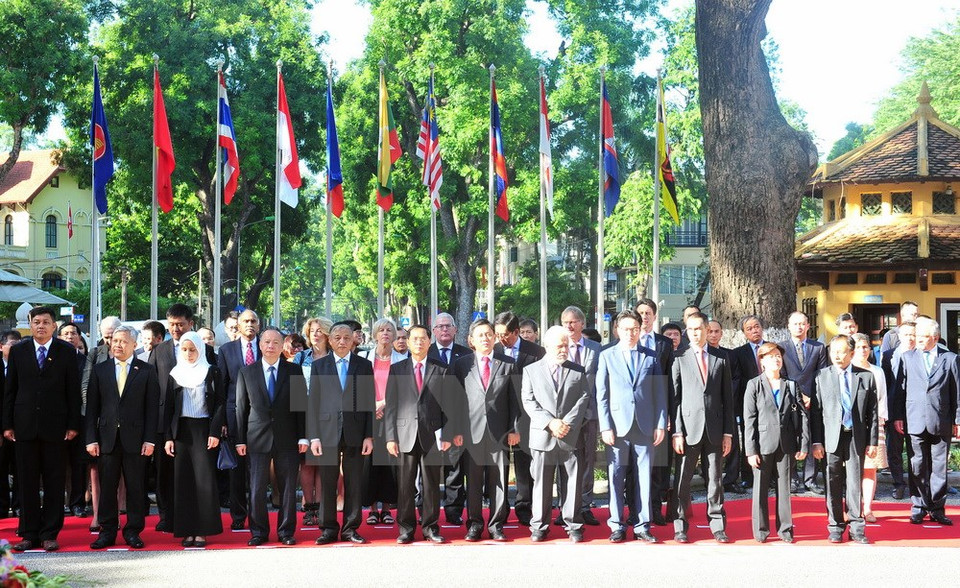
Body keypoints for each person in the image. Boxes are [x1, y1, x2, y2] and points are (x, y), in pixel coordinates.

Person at [4, 306, 82, 552]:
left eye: (45, 322)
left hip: (56, 428)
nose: (40, 326)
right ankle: (28, 533)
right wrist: (7, 424)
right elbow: (10, 391)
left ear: (54, 325)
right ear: (30, 324)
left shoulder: (67, 351)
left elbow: (73, 391)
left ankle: (49, 533)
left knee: (54, 482)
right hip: (24, 427)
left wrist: (72, 424)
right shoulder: (18, 351)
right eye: (36, 321)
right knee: (26, 482)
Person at [85, 325, 160, 550]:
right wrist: (91, 438)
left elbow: (152, 409)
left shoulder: (146, 371)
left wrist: (150, 439)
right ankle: (107, 531)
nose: (117, 344)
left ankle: (133, 531)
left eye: (123, 341)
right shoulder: (101, 370)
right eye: (115, 340)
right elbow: (92, 409)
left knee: (136, 487)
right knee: (107, 487)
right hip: (107, 438)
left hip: (136, 440)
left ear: (134, 345)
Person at [596, 310, 667, 543]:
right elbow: (602, 394)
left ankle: (642, 525)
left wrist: (660, 423)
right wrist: (605, 426)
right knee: (616, 476)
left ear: (640, 330)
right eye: (626, 329)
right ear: (617, 330)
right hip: (617, 427)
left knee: (644, 477)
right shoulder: (606, 355)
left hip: (645, 425)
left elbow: (659, 392)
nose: (630, 333)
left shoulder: (651, 356)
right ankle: (616, 524)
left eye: (634, 329)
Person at [384, 324, 459, 544]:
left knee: (432, 485)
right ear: (407, 342)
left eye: (423, 339)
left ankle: (430, 527)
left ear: (429, 341)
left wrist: (447, 434)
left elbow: (450, 406)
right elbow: (391, 406)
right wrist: (390, 437)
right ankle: (406, 529)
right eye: (414, 339)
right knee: (405, 485)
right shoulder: (397, 370)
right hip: (404, 434)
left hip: (432, 435)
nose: (419, 342)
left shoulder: (441, 368)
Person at [235, 327, 307, 546]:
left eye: (276, 342)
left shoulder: (294, 370)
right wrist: (240, 439)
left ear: (282, 345)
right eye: (266, 342)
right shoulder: (247, 372)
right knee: (256, 488)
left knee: (287, 489)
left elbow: (301, 406)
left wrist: (303, 437)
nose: (271, 346)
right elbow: (240, 408)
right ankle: (258, 531)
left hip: (288, 437)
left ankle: (286, 532)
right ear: (260, 345)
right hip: (256, 438)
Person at [149, 303, 216, 533]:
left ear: (190, 324)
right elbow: (153, 388)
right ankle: (170, 519)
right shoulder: (160, 351)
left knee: (201, 479)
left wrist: (217, 429)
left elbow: (216, 396)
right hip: (170, 425)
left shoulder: (207, 357)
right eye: (172, 325)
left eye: (180, 324)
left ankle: (200, 527)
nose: (175, 329)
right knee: (169, 477)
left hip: (201, 427)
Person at [307, 322, 375, 545]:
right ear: (330, 340)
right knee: (327, 481)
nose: (342, 341)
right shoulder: (320, 366)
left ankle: (350, 528)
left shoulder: (363, 365)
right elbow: (313, 402)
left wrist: (369, 435)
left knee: (354, 482)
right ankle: (328, 528)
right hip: (326, 432)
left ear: (354, 339)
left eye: (347, 337)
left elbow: (368, 401)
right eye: (337, 337)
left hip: (356, 431)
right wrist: (314, 436)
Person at [452, 318, 519, 542]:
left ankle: (496, 524)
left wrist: (514, 429)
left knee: (499, 480)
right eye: (480, 335)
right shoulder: (462, 364)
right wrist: (456, 431)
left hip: (499, 432)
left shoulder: (507, 363)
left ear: (495, 337)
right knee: (473, 481)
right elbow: (457, 401)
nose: (485, 338)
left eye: (489, 334)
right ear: (471, 340)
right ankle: (474, 524)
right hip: (471, 432)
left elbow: (515, 401)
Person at [521, 326, 590, 542]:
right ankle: (539, 526)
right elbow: (528, 401)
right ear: (547, 346)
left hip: (570, 434)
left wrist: (566, 423)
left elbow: (584, 397)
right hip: (543, 436)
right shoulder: (531, 370)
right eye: (559, 346)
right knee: (541, 483)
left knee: (572, 482)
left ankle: (574, 525)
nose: (564, 350)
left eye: (566, 346)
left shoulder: (578, 370)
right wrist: (551, 422)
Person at [671, 313, 734, 544]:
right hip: (688, 429)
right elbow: (674, 399)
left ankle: (717, 525)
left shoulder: (721, 358)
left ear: (708, 329)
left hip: (716, 428)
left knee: (715, 479)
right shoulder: (679, 357)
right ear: (686, 331)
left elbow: (728, 399)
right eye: (691, 329)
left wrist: (728, 432)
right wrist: (677, 432)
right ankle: (680, 525)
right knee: (682, 480)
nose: (695, 333)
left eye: (699, 328)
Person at [891, 316, 959, 526]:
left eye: (923, 336)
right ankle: (918, 506)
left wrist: (958, 420)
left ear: (935, 337)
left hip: (941, 420)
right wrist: (898, 416)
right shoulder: (908, 357)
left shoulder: (950, 359)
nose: (918, 339)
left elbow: (957, 392)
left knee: (939, 468)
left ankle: (937, 509)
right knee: (917, 465)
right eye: (917, 335)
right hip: (915, 419)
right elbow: (899, 390)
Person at [810, 335, 879, 544]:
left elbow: (873, 413)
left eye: (841, 352)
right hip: (831, 437)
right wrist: (816, 441)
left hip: (855, 436)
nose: (837, 356)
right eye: (834, 352)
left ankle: (857, 527)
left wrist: (872, 441)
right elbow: (816, 412)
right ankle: (835, 526)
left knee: (854, 482)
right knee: (832, 481)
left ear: (851, 352)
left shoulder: (866, 377)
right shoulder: (821, 376)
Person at [743, 342, 809, 543]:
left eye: (778, 356)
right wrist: (750, 450)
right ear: (761, 360)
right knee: (760, 489)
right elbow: (749, 419)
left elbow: (802, 417)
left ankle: (785, 530)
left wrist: (803, 444)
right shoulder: (754, 385)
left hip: (786, 444)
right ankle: (761, 530)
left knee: (784, 490)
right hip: (762, 445)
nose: (776, 359)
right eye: (771, 356)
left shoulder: (790, 384)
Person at [163, 331, 224, 548]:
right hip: (181, 431)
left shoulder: (211, 371)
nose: (189, 353)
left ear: (200, 349)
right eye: (185, 349)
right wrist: (168, 437)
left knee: (204, 481)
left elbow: (219, 404)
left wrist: (215, 433)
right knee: (183, 481)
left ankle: (202, 531)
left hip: (204, 430)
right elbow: (168, 407)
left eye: (193, 349)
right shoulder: (175, 373)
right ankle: (187, 530)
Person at [493, 310, 545, 527]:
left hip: (527, 416)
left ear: (516, 332)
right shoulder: (493, 351)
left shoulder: (536, 352)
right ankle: (501, 508)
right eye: (497, 334)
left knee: (525, 466)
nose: (500, 339)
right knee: (500, 465)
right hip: (499, 417)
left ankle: (525, 507)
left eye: (504, 334)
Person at [357, 318, 405, 525]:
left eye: (389, 330)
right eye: (381, 330)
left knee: (390, 462)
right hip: (370, 416)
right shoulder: (363, 357)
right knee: (369, 463)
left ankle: (387, 508)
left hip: (393, 415)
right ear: (375, 334)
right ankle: (372, 509)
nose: (385, 333)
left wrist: (383, 403)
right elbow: (357, 388)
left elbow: (404, 388)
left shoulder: (402, 359)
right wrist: (372, 405)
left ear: (394, 335)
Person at [556, 306, 601, 527]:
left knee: (587, 461)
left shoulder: (596, 349)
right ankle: (563, 507)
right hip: (563, 416)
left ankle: (584, 506)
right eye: (565, 322)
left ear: (582, 324)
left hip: (590, 413)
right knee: (563, 461)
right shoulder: (557, 350)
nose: (569, 326)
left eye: (573, 322)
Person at [216, 308, 260, 531]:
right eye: (246, 321)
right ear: (238, 326)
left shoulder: (267, 347)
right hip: (234, 417)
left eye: (253, 321)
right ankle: (238, 515)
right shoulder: (226, 350)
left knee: (258, 470)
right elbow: (222, 387)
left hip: (261, 418)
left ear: (258, 326)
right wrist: (222, 420)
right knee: (237, 471)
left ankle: (257, 514)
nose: (250, 324)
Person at [634, 298, 674, 527]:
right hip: (634, 412)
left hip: (657, 412)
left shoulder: (664, 344)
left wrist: (666, 413)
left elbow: (668, 383)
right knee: (634, 465)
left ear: (655, 316)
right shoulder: (628, 341)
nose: (644, 316)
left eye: (648, 312)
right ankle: (635, 510)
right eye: (640, 312)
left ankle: (655, 508)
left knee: (659, 465)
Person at [429, 312, 472, 526]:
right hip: (429, 419)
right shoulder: (424, 354)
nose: (444, 330)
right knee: (427, 467)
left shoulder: (466, 355)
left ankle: (454, 510)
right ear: (434, 331)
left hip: (457, 418)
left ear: (456, 330)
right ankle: (425, 509)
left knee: (455, 467)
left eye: (448, 326)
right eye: (440, 326)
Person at [778, 311, 828, 494]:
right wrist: (798, 396)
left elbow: (821, 374)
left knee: (812, 436)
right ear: (789, 326)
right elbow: (781, 376)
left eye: (802, 324)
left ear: (808, 326)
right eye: (795, 324)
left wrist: (811, 397)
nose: (799, 327)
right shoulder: (781, 348)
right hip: (790, 400)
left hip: (813, 399)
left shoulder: (819, 348)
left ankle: (810, 478)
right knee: (792, 437)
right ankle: (792, 478)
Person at [292, 316, 332, 525]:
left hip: (329, 415)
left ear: (326, 333)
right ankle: (309, 507)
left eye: (319, 330)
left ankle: (322, 505)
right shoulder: (300, 358)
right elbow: (294, 388)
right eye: (312, 330)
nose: (315, 334)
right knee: (307, 462)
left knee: (323, 461)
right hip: (305, 412)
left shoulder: (335, 356)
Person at [727, 315, 766, 495]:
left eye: (756, 326)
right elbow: (736, 380)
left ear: (762, 328)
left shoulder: (771, 349)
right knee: (748, 438)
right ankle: (747, 477)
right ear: (744, 333)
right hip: (747, 403)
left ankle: (768, 476)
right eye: (749, 328)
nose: (754, 331)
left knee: (769, 438)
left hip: (770, 403)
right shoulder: (738, 353)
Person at [851, 333, 887, 522]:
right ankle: (852, 507)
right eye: (858, 347)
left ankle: (868, 508)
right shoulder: (847, 371)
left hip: (874, 424)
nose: (862, 350)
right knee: (850, 468)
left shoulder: (877, 371)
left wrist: (881, 421)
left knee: (870, 468)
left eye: (865, 347)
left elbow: (882, 399)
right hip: (851, 426)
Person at [59, 321, 91, 521]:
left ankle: (77, 503)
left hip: (79, 418)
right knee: (56, 464)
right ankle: (58, 503)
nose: (70, 337)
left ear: (80, 338)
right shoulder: (51, 358)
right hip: (56, 420)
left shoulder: (86, 361)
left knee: (79, 464)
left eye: (73, 333)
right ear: (59, 337)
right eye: (65, 334)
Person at [881, 320, 915, 500]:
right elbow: (886, 386)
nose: (910, 338)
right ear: (899, 336)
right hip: (894, 411)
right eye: (906, 334)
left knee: (915, 451)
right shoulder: (889, 356)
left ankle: (916, 485)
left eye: (913, 334)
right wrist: (890, 415)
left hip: (916, 412)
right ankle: (899, 484)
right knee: (894, 450)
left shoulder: (920, 354)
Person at [0, 330, 22, 520]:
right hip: (1, 429)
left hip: (22, 428)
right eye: (12, 345)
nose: (16, 349)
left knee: (21, 470)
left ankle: (18, 506)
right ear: (1, 347)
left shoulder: (25, 367)